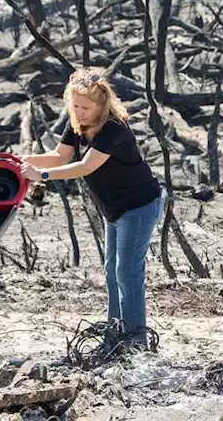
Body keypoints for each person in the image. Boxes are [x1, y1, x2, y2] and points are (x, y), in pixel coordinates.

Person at [19, 67, 164, 338]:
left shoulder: (114, 128)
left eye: (85, 107)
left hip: (140, 206)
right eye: (74, 106)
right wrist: (22, 162)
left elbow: (86, 166)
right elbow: (59, 156)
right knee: (111, 270)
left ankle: (135, 339)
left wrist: (41, 175)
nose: (80, 111)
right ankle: (114, 330)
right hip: (114, 210)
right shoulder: (78, 124)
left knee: (127, 271)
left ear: (102, 104)